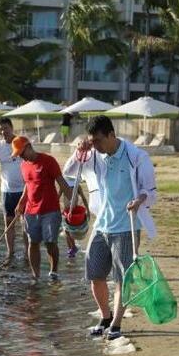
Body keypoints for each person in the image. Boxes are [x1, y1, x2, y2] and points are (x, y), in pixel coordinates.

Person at [64, 115, 158, 340]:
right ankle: (105, 317)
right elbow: (68, 170)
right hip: (101, 224)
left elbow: (151, 191)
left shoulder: (136, 157)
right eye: (92, 141)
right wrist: (80, 151)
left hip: (127, 225)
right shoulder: (95, 155)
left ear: (111, 135)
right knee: (95, 275)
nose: (95, 146)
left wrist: (140, 200)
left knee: (121, 279)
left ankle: (116, 324)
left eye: (98, 141)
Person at [12, 136, 72, 282]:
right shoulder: (24, 165)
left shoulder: (48, 161)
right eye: (18, 154)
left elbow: (61, 182)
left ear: (28, 147)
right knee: (33, 242)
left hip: (50, 210)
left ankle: (54, 271)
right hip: (30, 211)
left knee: (50, 242)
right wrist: (21, 202)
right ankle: (36, 275)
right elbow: (28, 185)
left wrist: (71, 203)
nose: (20, 156)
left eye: (21, 153)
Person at [0, 117, 27, 266]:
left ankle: (27, 251)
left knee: (25, 223)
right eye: (0, 130)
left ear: (11, 127)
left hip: (23, 189)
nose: (3, 132)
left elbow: (31, 160)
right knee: (8, 221)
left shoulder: (22, 142)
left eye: (5, 128)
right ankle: (10, 252)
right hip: (7, 191)